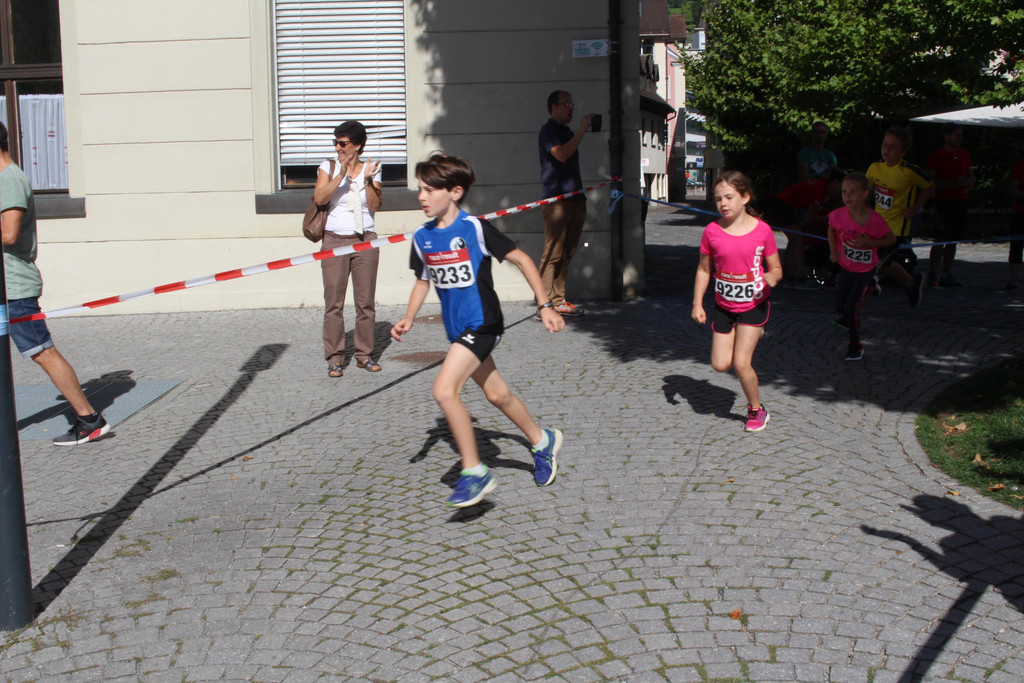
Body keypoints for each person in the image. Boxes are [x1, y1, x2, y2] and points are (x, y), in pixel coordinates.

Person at [390, 153, 566, 508]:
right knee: (497, 395)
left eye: (429, 190)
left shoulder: (474, 228)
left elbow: (522, 259)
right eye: (420, 189)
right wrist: (409, 316)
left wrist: (545, 304)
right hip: (457, 330)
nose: (421, 197)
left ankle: (475, 471)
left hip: (483, 323)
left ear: (455, 192)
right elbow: (423, 280)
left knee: (444, 391)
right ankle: (542, 440)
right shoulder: (422, 237)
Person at [0, 122, 109, 446]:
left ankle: (89, 419)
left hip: (14, 288)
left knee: (42, 352)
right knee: (41, 352)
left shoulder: (9, 179)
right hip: (7, 286)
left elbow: (9, 233)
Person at [691, 170, 783, 432]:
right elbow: (704, 270)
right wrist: (697, 303)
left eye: (729, 197)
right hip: (724, 306)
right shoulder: (712, 231)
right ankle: (744, 337)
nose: (723, 203)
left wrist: (772, 277)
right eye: (718, 198)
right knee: (720, 364)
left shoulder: (762, 231)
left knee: (741, 363)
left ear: (745, 197)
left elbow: (777, 268)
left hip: (753, 305)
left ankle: (756, 409)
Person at [314, 121, 383, 378]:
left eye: (343, 143)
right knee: (334, 303)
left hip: (365, 240)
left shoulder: (371, 168)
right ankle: (334, 358)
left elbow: (375, 205)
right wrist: (341, 175)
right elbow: (320, 198)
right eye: (336, 142)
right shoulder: (328, 167)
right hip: (334, 240)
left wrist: (368, 181)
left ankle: (364, 354)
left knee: (365, 303)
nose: (338, 148)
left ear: (358, 145)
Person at [537, 90, 595, 317]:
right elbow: (561, 154)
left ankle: (558, 300)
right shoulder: (548, 131)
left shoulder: (567, 132)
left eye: (572, 104)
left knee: (567, 253)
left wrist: (577, 133)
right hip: (557, 201)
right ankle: (544, 304)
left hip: (576, 198)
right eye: (567, 104)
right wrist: (581, 132)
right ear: (554, 107)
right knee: (553, 253)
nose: (571, 108)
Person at [827, 172, 896, 362]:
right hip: (847, 267)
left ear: (865, 194)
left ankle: (855, 346)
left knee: (851, 308)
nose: (847, 196)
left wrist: (871, 243)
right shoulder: (838, 215)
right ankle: (872, 288)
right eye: (844, 192)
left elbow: (891, 239)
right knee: (841, 307)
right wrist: (833, 251)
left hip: (866, 269)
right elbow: (831, 229)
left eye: (853, 192)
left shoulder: (875, 220)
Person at [865, 125, 932, 308]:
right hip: (875, 226)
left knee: (872, 262)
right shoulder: (875, 167)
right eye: (885, 144)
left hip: (895, 230)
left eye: (892, 147)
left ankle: (856, 303)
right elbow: (865, 192)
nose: (886, 149)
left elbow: (929, 186)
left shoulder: (909, 172)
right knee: (885, 263)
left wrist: (915, 208)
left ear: (903, 152)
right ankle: (912, 282)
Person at [926, 123, 975, 287]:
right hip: (943, 201)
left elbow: (971, 175)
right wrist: (953, 182)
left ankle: (947, 273)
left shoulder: (965, 154)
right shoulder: (935, 156)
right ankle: (932, 272)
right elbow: (931, 182)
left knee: (953, 239)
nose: (960, 139)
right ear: (947, 137)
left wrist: (969, 182)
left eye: (961, 135)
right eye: (956, 135)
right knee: (940, 238)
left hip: (960, 200)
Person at [1006, 159, 1024, 291]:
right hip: (1020, 212)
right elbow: (1013, 190)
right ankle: (1013, 281)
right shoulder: (1019, 166)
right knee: (1016, 247)